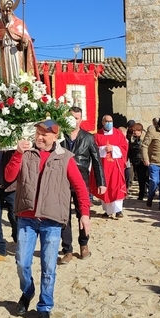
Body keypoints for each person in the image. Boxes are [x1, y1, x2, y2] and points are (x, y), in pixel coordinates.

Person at [4, 120, 91, 318]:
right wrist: (17, 153)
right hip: (26, 218)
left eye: (45, 134)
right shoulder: (25, 154)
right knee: (22, 262)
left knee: (48, 267)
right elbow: (8, 176)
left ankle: (44, 307)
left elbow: (80, 187)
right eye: (38, 133)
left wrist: (84, 214)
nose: (40, 137)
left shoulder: (66, 158)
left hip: (51, 221)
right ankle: (28, 292)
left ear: (55, 137)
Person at [59, 107, 105, 263]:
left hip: (81, 181)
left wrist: (101, 182)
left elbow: (97, 161)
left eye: (77, 118)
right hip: (62, 181)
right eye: (71, 117)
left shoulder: (88, 138)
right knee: (63, 216)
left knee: (83, 214)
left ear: (81, 119)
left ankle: (84, 244)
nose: (74, 120)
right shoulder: (59, 137)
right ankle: (67, 249)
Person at [0, 0, 39, 83]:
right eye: (3, 11)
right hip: (4, 54)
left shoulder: (20, 24)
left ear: (11, 10)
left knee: (17, 76)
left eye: (7, 11)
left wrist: (24, 42)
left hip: (16, 53)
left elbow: (27, 44)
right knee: (6, 78)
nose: (5, 13)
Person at [92, 115, 128, 219]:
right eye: (107, 121)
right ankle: (107, 211)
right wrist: (103, 149)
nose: (109, 123)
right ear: (102, 122)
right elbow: (93, 149)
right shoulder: (97, 135)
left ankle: (118, 211)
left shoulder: (118, 133)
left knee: (116, 187)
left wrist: (113, 148)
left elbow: (124, 148)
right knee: (105, 188)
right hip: (103, 167)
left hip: (116, 166)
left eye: (111, 121)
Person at [127, 123, 148, 201]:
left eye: (136, 131)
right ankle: (143, 192)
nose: (134, 132)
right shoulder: (132, 139)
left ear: (140, 131)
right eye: (133, 131)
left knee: (143, 178)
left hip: (142, 161)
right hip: (135, 161)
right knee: (140, 178)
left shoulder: (144, 139)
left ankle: (142, 194)